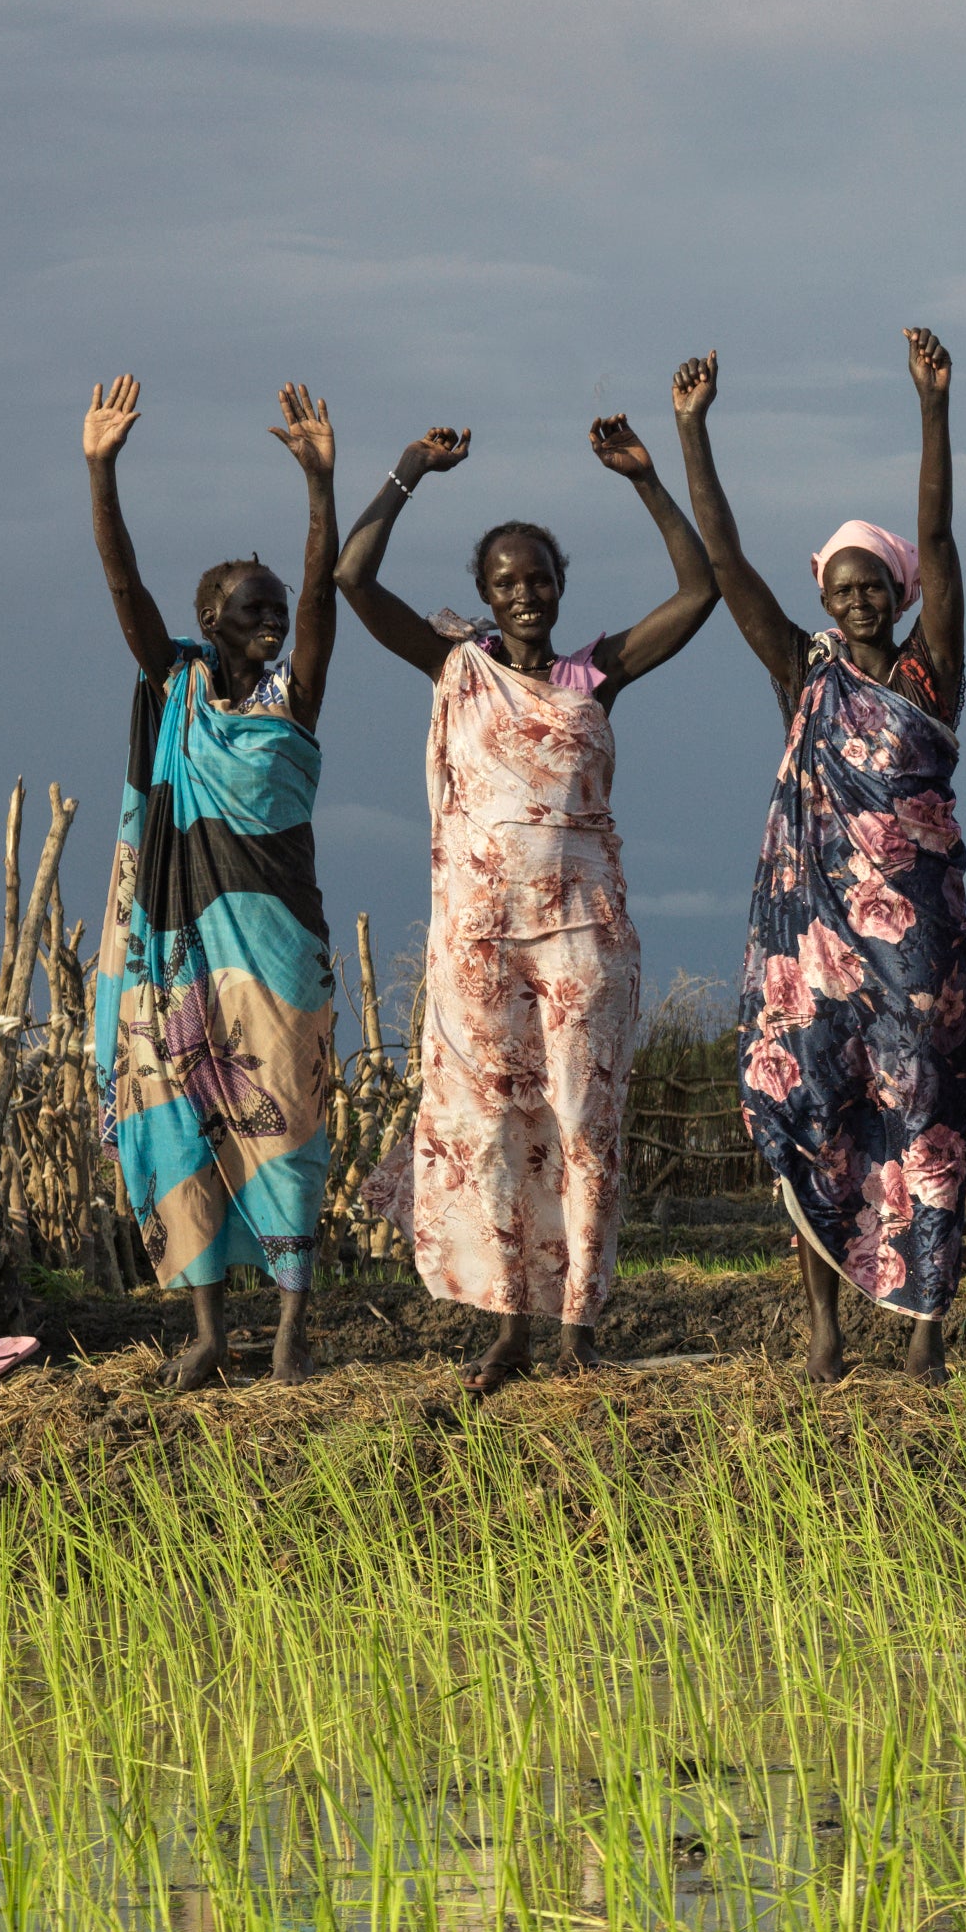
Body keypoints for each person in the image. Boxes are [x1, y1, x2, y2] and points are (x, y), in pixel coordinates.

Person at [333, 391, 721, 1399]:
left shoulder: (596, 674)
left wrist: (645, 479)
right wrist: (408, 467)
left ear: (558, 586)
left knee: (583, 1124)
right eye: (506, 579)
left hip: (584, 941)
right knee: (497, 1126)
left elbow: (702, 590)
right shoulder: (455, 668)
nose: (525, 592)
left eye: (539, 577)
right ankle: (508, 1329)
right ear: (486, 592)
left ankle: (579, 1328)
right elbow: (350, 577)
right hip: (478, 945)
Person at [684, 334, 966, 1382]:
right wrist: (692, 435)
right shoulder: (801, 681)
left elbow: (938, 538)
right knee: (814, 1118)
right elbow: (727, 567)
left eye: (875, 586)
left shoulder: (928, 673)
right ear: (824, 596)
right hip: (814, 948)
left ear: (895, 593)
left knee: (925, 1128)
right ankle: (825, 1332)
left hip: (918, 952)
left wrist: (932, 408)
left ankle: (927, 1339)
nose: (860, 600)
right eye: (843, 588)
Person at [78, 375, 347, 1389]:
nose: (272, 623)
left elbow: (321, 595)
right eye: (251, 613)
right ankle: (208, 1333)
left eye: (275, 610)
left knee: (288, 1126)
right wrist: (101, 471)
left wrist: (322, 491)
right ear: (207, 622)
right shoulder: (174, 683)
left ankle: (288, 1333)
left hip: (279, 953)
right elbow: (123, 588)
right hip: (181, 944)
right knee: (182, 1120)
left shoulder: (296, 701)